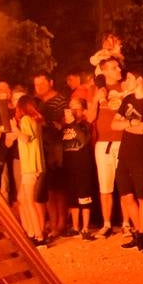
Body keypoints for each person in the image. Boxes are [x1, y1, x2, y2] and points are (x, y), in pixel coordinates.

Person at [111, 70, 143, 252]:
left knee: (142, 195)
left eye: (129, 78)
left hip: (141, 153)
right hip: (124, 154)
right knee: (127, 195)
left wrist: (127, 124)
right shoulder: (128, 100)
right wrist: (131, 123)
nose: (126, 80)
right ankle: (139, 234)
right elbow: (113, 125)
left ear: (139, 79)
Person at [87, 56, 127, 237]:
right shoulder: (96, 90)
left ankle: (126, 222)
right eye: (114, 67)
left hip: (122, 140)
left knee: (125, 185)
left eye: (118, 67)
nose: (118, 70)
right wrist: (96, 99)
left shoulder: (125, 88)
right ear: (104, 72)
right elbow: (89, 117)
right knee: (105, 186)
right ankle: (107, 223)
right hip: (103, 143)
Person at [33, 73, 68, 239]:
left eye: (42, 83)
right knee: (48, 189)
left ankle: (61, 223)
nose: (39, 87)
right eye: (36, 84)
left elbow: (59, 125)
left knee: (59, 189)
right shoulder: (39, 104)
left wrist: (42, 122)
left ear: (51, 82)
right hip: (44, 149)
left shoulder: (60, 100)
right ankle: (53, 223)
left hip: (57, 149)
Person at [13, 94, 48, 246]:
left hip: (30, 166)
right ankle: (31, 232)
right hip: (34, 166)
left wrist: (15, 129)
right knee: (22, 199)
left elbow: (26, 138)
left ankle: (38, 236)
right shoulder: (36, 120)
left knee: (29, 202)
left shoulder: (27, 120)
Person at [60, 97, 96, 239]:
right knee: (72, 197)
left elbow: (84, 140)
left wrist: (73, 123)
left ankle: (85, 227)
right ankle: (75, 227)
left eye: (76, 107)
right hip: (69, 164)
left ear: (83, 110)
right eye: (70, 107)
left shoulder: (85, 125)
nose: (73, 110)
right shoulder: (65, 125)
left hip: (83, 164)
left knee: (84, 195)